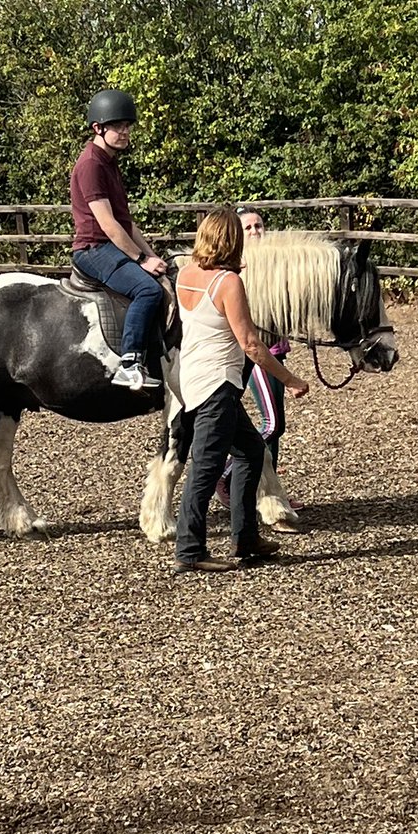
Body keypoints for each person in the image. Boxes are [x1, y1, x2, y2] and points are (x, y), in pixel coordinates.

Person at [174, 208, 309, 573]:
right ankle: (189, 551)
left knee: (251, 450)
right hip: (217, 385)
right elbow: (250, 342)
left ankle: (246, 538)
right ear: (232, 240)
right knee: (204, 469)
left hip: (195, 378)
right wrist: (290, 379)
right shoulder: (227, 282)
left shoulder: (185, 273)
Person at [70, 89, 167, 390]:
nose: (125, 132)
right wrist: (141, 260)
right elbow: (109, 225)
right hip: (93, 249)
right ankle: (129, 363)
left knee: (163, 276)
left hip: (110, 245)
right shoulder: (90, 166)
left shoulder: (109, 163)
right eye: (118, 126)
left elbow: (127, 223)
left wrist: (152, 256)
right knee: (148, 291)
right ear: (98, 128)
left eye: (128, 126)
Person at [215, 206, 302, 512]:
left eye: (259, 225)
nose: (255, 231)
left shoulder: (276, 265)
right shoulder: (239, 270)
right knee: (272, 423)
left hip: (276, 352)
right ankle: (225, 474)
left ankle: (271, 492)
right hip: (255, 356)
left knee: (276, 426)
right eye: (248, 227)